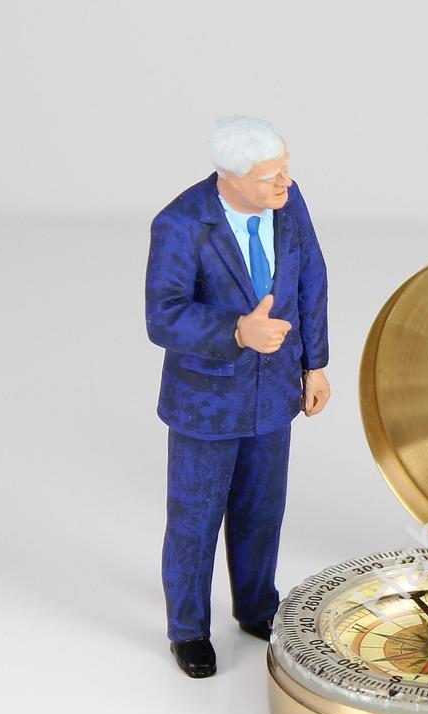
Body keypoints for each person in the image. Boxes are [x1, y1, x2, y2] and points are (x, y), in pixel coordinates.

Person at [144, 116, 331, 678]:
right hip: (206, 403)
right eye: (270, 176)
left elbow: (311, 279)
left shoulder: (288, 205)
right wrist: (236, 331)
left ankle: (255, 606)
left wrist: (315, 365)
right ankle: (187, 629)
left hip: (274, 394)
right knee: (195, 521)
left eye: (285, 169)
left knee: (261, 512)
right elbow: (163, 315)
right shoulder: (181, 223)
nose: (285, 183)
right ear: (229, 177)